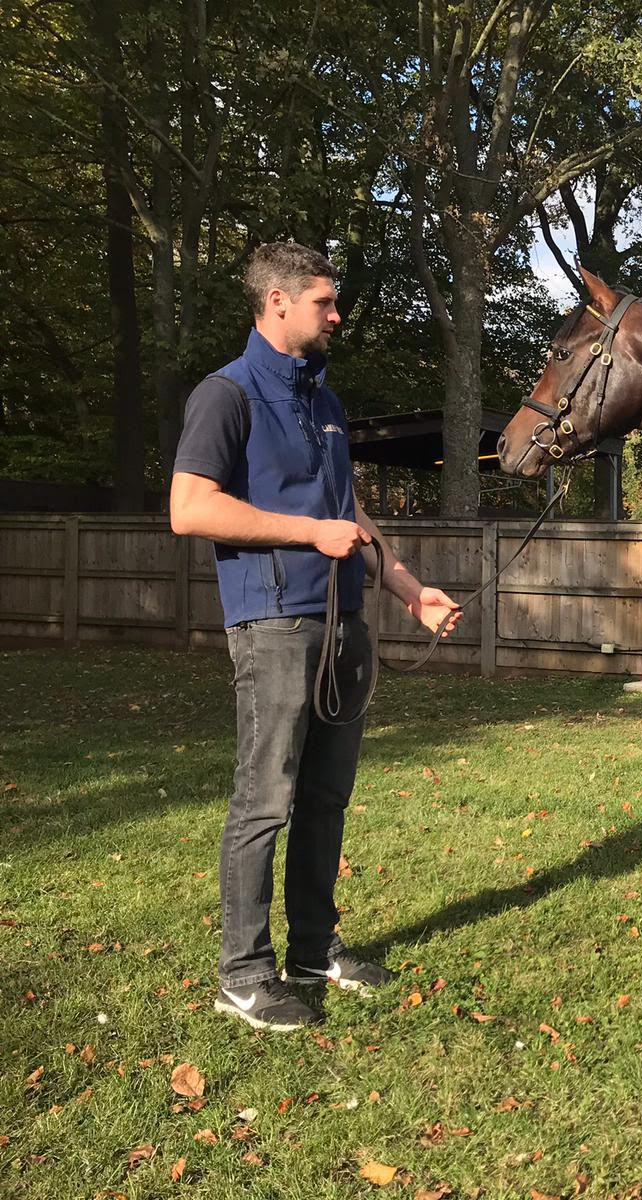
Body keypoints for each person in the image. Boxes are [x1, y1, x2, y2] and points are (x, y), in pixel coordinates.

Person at [170, 242, 462, 1032]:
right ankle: (243, 973)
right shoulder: (226, 396)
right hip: (273, 624)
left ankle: (311, 949)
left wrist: (407, 589)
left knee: (327, 797)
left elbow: (349, 516)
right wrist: (306, 534)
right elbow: (190, 508)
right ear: (276, 304)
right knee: (264, 800)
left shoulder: (323, 401)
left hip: (345, 622)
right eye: (325, 302)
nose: (336, 315)